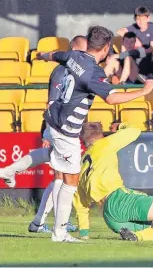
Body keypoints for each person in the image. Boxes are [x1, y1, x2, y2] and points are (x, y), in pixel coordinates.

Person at [1, 25, 153, 243]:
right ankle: (60, 233)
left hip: (52, 121)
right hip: (66, 130)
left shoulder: (74, 56)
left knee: (50, 158)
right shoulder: (93, 72)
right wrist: (144, 90)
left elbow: (55, 55)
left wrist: (40, 55)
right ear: (104, 48)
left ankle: (8, 170)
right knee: (71, 180)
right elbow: (112, 99)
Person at [27, 35, 87, 234]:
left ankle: (40, 222)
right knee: (61, 177)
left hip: (64, 128)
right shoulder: (62, 71)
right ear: (75, 50)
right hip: (56, 128)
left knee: (61, 177)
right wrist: (47, 134)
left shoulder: (75, 70)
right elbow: (52, 103)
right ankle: (45, 222)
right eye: (83, 51)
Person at [117, 6, 153, 76]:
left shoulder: (152, 27)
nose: (141, 21)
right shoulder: (134, 27)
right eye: (138, 19)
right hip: (131, 55)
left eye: (143, 19)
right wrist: (135, 40)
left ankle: (127, 79)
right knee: (112, 59)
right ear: (135, 19)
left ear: (148, 18)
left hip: (145, 58)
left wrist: (139, 50)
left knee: (128, 57)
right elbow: (119, 31)